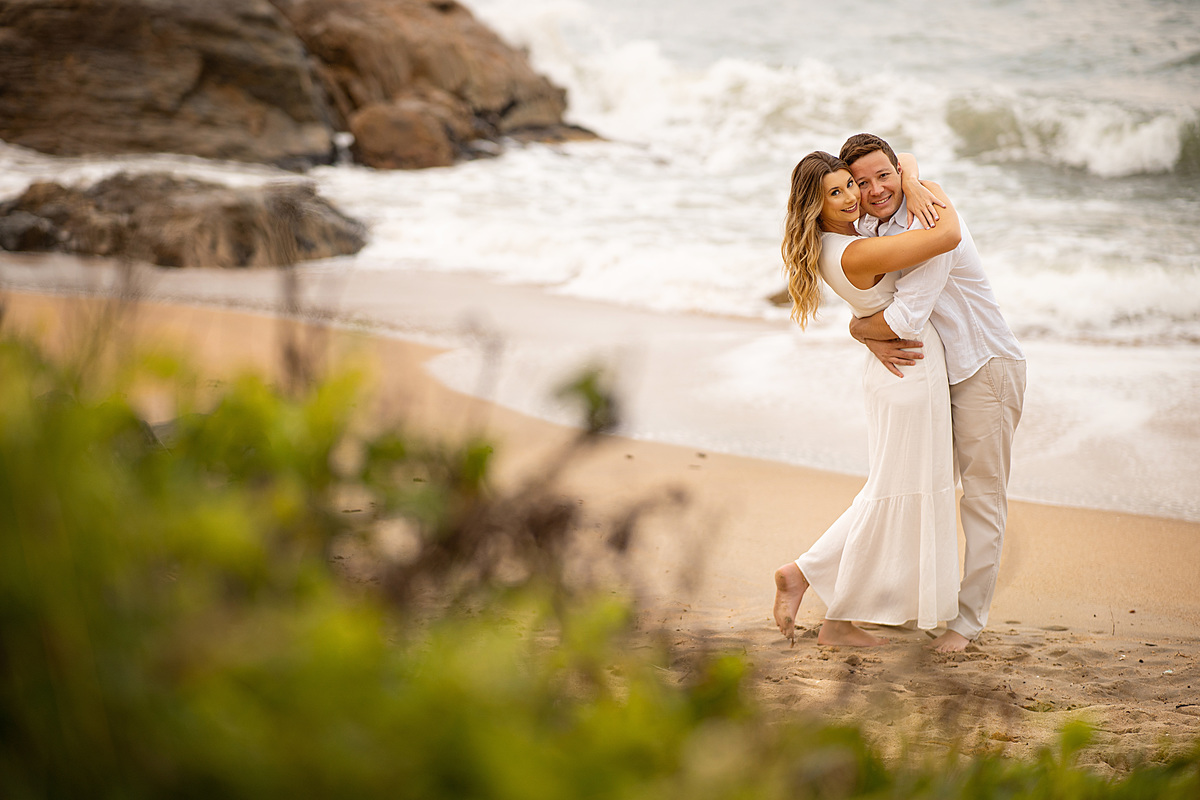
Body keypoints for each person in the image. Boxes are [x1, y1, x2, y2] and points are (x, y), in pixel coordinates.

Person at [838, 133, 1026, 653]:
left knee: (982, 500)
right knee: (921, 485)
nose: (876, 188)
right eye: (861, 182)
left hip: (986, 366)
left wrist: (857, 332)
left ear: (898, 173)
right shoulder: (875, 222)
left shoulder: (928, 219)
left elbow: (905, 319)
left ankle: (968, 621)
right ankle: (908, 600)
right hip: (943, 375)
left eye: (885, 175)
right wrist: (913, 175)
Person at [771, 150, 963, 647]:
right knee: (891, 494)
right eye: (835, 193)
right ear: (814, 207)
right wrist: (926, 190)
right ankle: (835, 619)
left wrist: (912, 178)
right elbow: (945, 236)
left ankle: (802, 576)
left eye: (849, 186)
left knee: (890, 490)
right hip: (908, 373)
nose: (853, 196)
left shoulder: (844, 243)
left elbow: (908, 155)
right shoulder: (852, 251)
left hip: (901, 368)